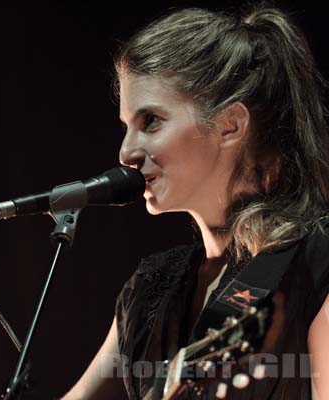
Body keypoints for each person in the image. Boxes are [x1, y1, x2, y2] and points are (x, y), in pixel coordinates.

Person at [60, 4, 329, 400]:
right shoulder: (151, 289)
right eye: (125, 126)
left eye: (150, 121)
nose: (126, 152)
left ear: (230, 125)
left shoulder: (316, 268)